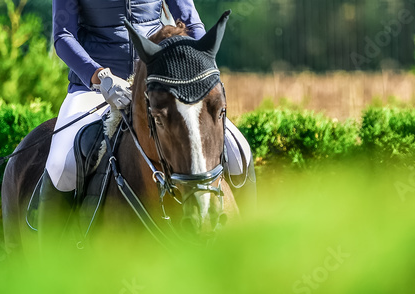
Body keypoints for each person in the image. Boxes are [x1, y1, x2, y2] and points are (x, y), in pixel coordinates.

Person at [39, 0, 256, 235]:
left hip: (160, 83)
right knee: (62, 164)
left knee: (238, 150)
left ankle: (250, 241)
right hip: (94, 86)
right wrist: (98, 76)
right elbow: (63, 36)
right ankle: (52, 256)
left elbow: (191, 22)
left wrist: (195, 67)